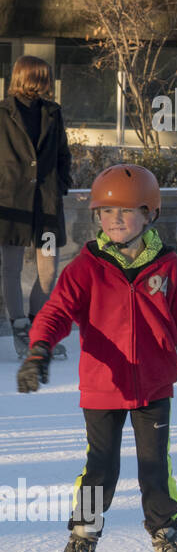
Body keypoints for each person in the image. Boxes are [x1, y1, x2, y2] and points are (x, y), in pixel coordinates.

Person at [17, 164, 177, 552]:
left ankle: (166, 539)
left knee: (155, 471)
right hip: (102, 388)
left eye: (124, 213)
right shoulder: (86, 267)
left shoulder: (170, 270)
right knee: (101, 471)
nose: (114, 221)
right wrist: (39, 349)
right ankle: (83, 538)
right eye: (105, 214)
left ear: (149, 214)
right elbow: (55, 313)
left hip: (154, 389)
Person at [1, 55, 70, 360]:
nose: (47, 80)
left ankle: (35, 324)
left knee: (48, 271)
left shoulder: (53, 113)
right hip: (11, 202)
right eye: (43, 75)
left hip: (47, 205)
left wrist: (62, 185)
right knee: (12, 269)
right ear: (28, 77)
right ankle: (18, 327)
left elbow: (63, 154)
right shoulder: (2, 113)